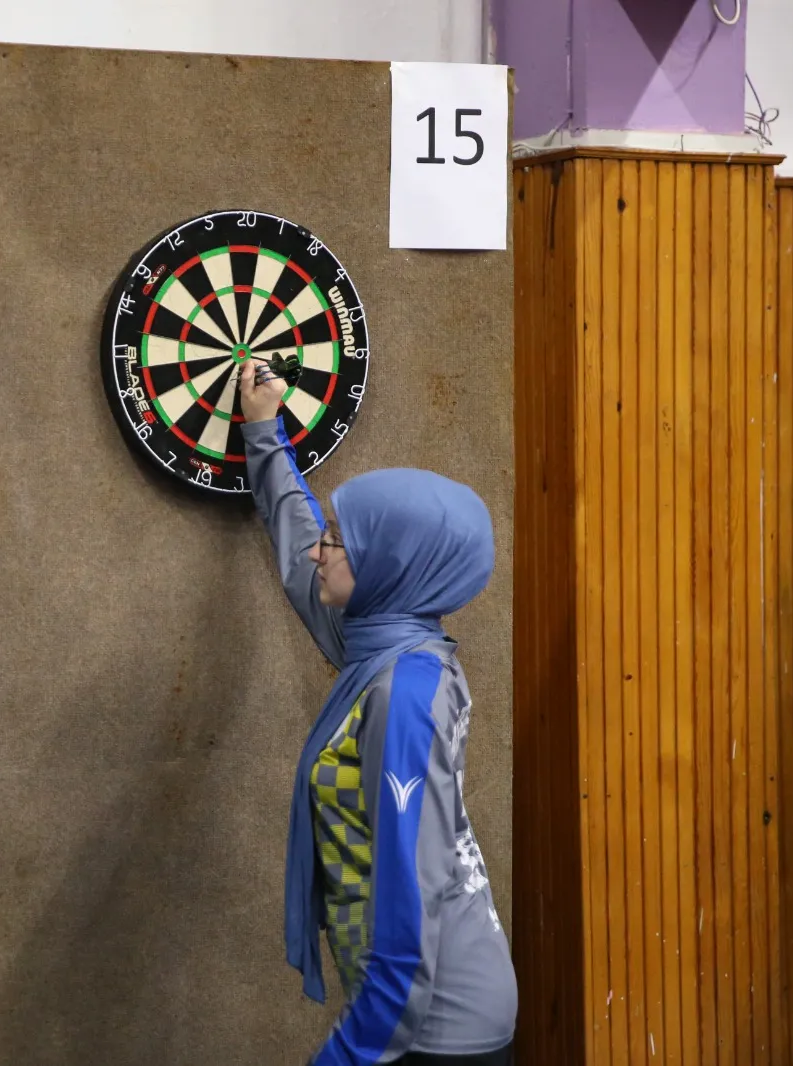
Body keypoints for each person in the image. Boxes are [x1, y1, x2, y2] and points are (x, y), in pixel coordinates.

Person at [237, 361, 517, 1066]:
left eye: (340, 539)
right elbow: (299, 553)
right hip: (411, 1009)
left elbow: (409, 906)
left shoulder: (403, 693)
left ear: (391, 561)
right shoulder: (381, 640)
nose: (322, 548)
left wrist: (344, 1057)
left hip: (435, 1024)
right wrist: (264, 432)